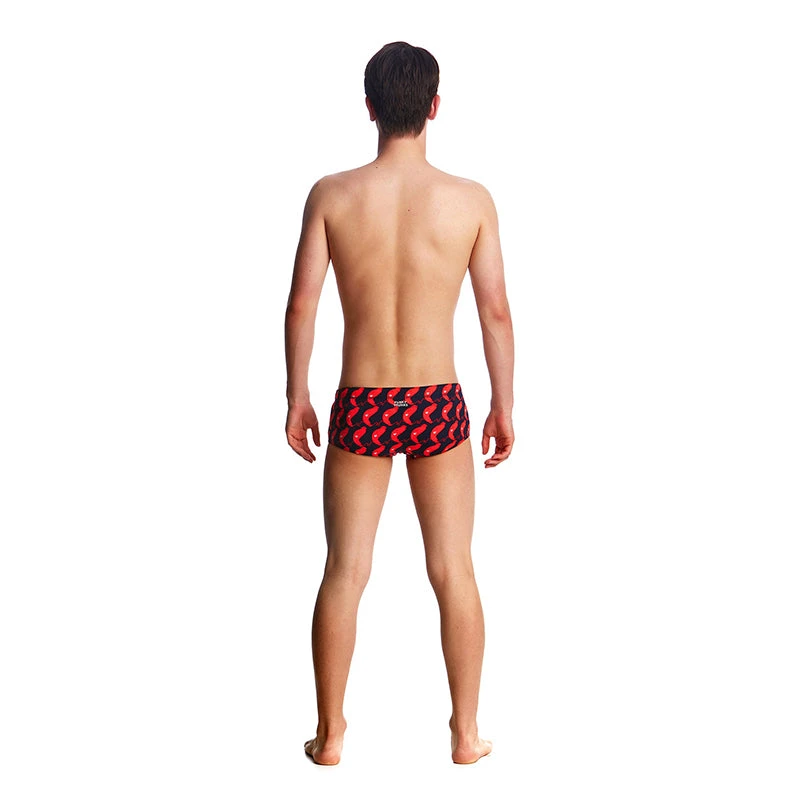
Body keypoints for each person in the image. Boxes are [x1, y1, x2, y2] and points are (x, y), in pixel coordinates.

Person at [284, 41, 515, 766]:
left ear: (370, 108)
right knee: (454, 570)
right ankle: (466, 735)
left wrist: (297, 396)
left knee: (344, 571)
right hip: (437, 402)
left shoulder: (332, 195)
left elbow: (301, 304)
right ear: (435, 107)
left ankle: (330, 736)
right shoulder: (470, 201)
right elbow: (495, 311)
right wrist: (503, 404)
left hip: (362, 401)